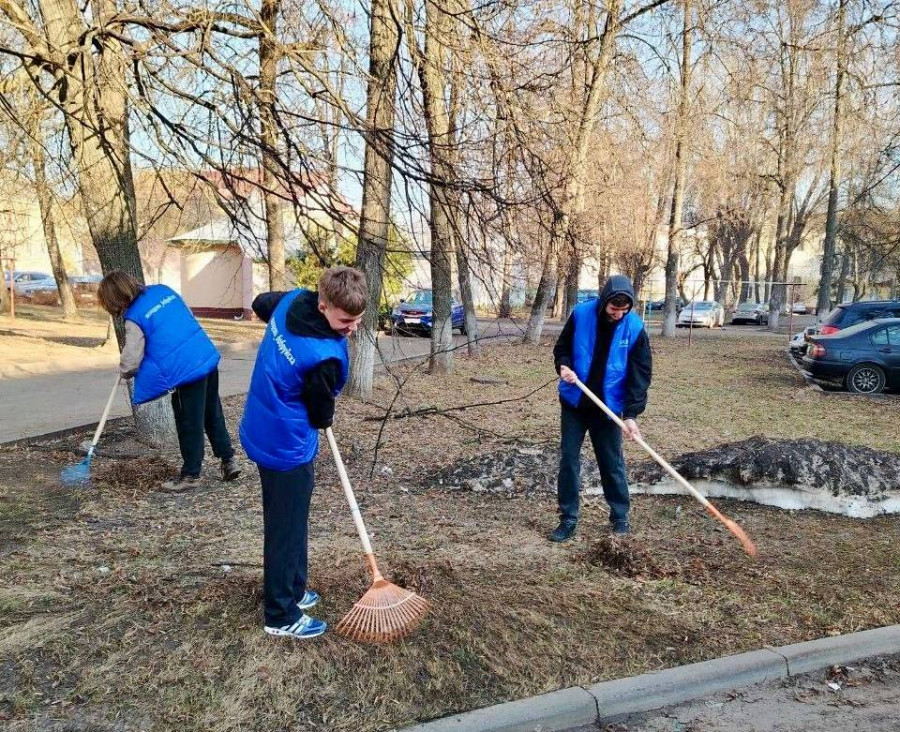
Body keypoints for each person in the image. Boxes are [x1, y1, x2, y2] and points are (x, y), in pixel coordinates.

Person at [240, 266, 367, 640]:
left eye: (357, 321)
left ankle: (293, 590)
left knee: (289, 522)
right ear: (324, 305)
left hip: (261, 425)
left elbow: (261, 303)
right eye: (346, 321)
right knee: (285, 529)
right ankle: (280, 614)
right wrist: (325, 406)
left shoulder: (294, 300)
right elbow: (320, 414)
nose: (351, 329)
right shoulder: (323, 356)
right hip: (285, 445)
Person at [97, 271, 241, 491]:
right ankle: (229, 460)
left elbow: (133, 354)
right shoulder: (163, 291)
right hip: (204, 356)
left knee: (188, 420)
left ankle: (190, 475)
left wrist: (125, 370)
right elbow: (185, 317)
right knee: (212, 412)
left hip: (185, 371)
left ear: (116, 298)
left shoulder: (134, 316)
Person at [550, 274, 652, 542]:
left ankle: (620, 516)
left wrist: (630, 415)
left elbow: (639, 375)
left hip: (608, 408)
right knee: (569, 460)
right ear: (604, 301)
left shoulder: (635, 327)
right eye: (614, 309)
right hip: (575, 402)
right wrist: (563, 365)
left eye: (624, 310)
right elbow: (562, 348)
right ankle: (568, 518)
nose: (618, 315)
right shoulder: (582, 314)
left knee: (612, 462)